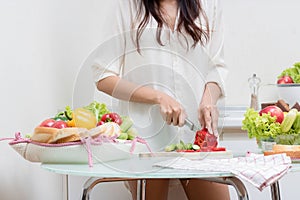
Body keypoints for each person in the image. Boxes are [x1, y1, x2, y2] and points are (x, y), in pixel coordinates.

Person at [92, 0, 229, 199]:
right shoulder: (127, 6)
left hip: (197, 138)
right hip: (146, 142)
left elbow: (217, 67)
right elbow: (103, 76)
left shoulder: (209, 5)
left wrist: (209, 99)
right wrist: (158, 97)